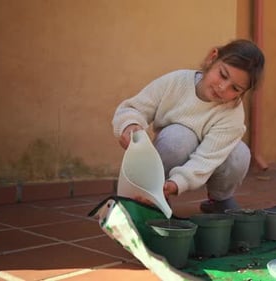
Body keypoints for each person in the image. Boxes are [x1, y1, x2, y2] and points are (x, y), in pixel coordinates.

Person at [112, 39, 265, 213]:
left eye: (235, 88)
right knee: (179, 137)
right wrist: (130, 124)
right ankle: (155, 193)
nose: (223, 88)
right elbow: (134, 108)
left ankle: (219, 199)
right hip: (174, 150)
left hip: (209, 161)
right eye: (223, 75)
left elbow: (207, 158)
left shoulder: (233, 114)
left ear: (242, 93)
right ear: (212, 58)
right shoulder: (176, 81)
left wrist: (177, 183)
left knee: (239, 153)